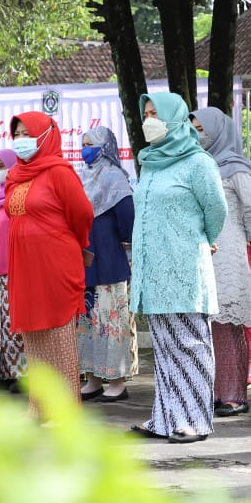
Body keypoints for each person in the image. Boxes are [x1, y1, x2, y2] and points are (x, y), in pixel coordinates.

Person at [129, 92, 227, 444]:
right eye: (147, 113)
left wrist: (200, 239)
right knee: (165, 347)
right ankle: (165, 417)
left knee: (191, 345)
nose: (149, 119)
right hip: (152, 271)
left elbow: (217, 211)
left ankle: (196, 420)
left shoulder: (197, 163)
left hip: (184, 267)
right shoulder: (150, 163)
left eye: (157, 113)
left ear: (176, 118)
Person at [5, 111, 94, 413]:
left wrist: (74, 244)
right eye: (16, 134)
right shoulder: (16, 174)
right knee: (34, 334)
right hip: (25, 266)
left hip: (56, 264)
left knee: (58, 336)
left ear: (45, 137)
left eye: (26, 134)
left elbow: (82, 214)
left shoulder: (59, 172)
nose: (20, 141)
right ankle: (39, 406)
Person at [191, 107, 251, 417]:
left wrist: (238, 236)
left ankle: (235, 395)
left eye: (202, 129)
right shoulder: (198, 165)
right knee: (208, 325)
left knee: (229, 324)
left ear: (218, 131)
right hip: (205, 251)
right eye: (193, 128)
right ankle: (214, 392)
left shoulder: (236, 168)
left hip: (230, 249)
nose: (197, 135)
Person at [77, 125, 137, 402]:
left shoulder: (114, 178)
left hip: (110, 257)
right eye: (83, 144)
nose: (85, 149)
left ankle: (117, 381)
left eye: (91, 144)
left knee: (111, 321)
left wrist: (126, 239)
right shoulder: (81, 177)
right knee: (88, 322)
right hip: (85, 260)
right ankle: (92, 379)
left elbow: (128, 217)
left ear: (105, 147)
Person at [0, 149, 26, 392]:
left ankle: (23, 374)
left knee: (17, 324)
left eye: (2, 166)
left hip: (16, 270)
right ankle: (5, 373)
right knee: (1, 323)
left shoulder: (16, 197)